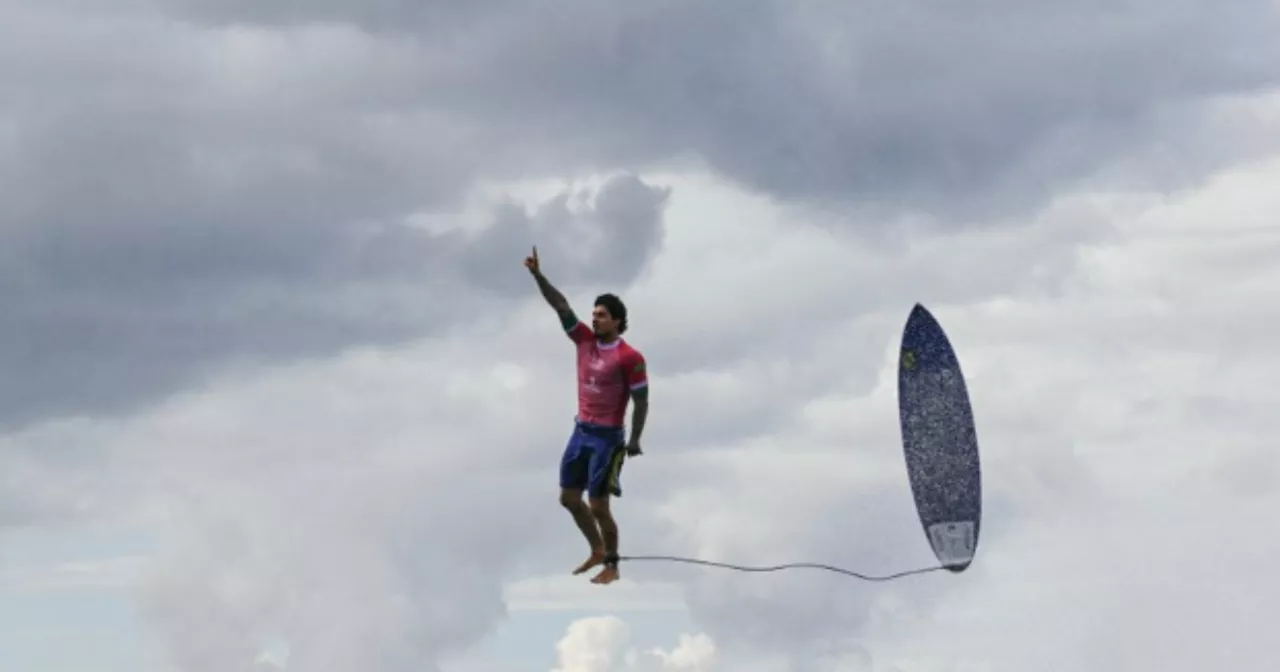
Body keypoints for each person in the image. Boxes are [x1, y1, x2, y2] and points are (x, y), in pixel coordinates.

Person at [524, 245, 648, 585]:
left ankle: (612, 564)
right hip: (581, 431)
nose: (595, 319)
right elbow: (560, 305)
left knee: (598, 505)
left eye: (602, 315)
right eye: (594, 314)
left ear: (618, 321)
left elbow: (642, 400)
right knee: (568, 498)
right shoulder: (583, 341)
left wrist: (635, 439)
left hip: (608, 439)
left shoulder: (630, 357)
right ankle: (596, 549)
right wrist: (538, 276)